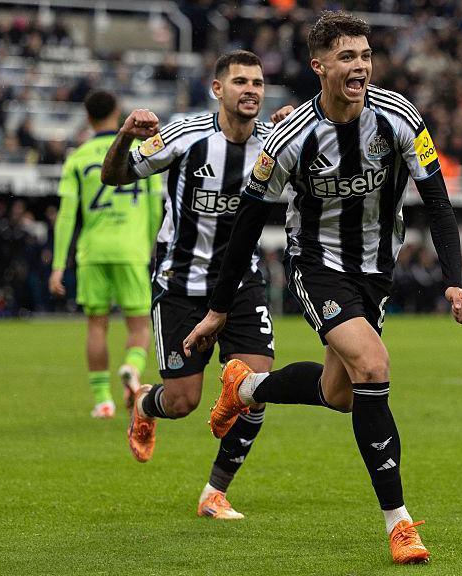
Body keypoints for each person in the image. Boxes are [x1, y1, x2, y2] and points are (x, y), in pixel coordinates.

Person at [182, 11, 462, 564]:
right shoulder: (289, 138)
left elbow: (436, 199)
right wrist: (220, 308)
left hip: (375, 272)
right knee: (374, 366)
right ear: (319, 66)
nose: (360, 66)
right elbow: (247, 220)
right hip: (316, 265)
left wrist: (453, 280)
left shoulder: (401, 118)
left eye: (365, 55)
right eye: (347, 57)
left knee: (342, 394)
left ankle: (245, 389)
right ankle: (400, 524)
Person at [100, 50, 293, 519]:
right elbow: (115, 175)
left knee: (256, 384)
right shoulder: (186, 135)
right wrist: (125, 136)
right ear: (218, 89)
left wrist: (301, 124)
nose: (251, 90)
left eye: (258, 83)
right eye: (241, 81)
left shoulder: (274, 144)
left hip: (242, 282)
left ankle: (215, 492)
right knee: (184, 401)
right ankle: (147, 403)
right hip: (181, 283)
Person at [50, 90, 163, 419]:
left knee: (97, 326)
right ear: (119, 113)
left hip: (93, 250)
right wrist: (149, 248)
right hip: (131, 248)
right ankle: (131, 367)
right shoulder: (140, 152)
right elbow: (156, 208)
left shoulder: (78, 157)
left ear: (87, 118)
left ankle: (103, 401)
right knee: (139, 327)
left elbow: (67, 217)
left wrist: (58, 265)